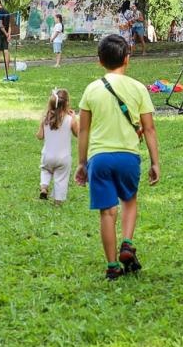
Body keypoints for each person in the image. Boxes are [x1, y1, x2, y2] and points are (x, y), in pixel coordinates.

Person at [75, 34, 160, 280]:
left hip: (99, 158)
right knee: (130, 201)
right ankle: (127, 242)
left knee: (107, 213)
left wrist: (82, 163)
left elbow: (83, 130)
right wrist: (155, 162)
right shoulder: (137, 88)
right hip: (128, 157)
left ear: (99, 61)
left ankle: (112, 266)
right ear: (127, 59)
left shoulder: (91, 89)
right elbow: (150, 129)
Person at [37, 87, 78, 204]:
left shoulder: (46, 118)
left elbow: (40, 136)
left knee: (45, 170)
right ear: (67, 103)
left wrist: (42, 123)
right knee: (61, 179)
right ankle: (57, 202)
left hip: (47, 155)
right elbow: (77, 134)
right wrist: (75, 118)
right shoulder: (70, 119)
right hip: (63, 157)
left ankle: (44, 187)